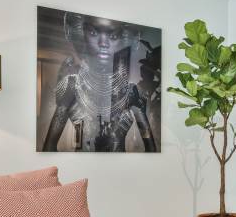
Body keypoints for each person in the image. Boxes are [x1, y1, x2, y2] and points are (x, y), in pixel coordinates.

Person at [42, 13, 156, 152]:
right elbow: (49, 147)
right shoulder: (72, 85)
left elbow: (151, 149)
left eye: (113, 36)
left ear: (122, 39)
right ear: (82, 33)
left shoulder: (131, 92)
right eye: (93, 33)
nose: (103, 43)